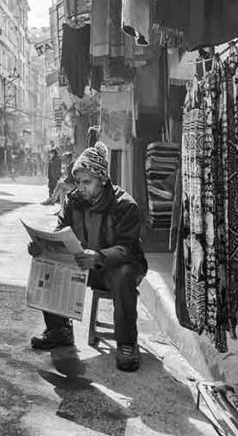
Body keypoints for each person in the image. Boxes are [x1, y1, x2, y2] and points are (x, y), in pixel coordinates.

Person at [27, 139, 150, 372]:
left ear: (102, 180)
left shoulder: (125, 205)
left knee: (123, 275)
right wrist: (43, 248)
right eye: (78, 181)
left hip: (118, 266)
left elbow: (129, 248)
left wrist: (100, 256)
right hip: (86, 264)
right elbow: (60, 232)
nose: (81, 187)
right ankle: (59, 330)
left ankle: (126, 343)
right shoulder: (74, 201)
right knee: (48, 264)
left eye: (87, 182)